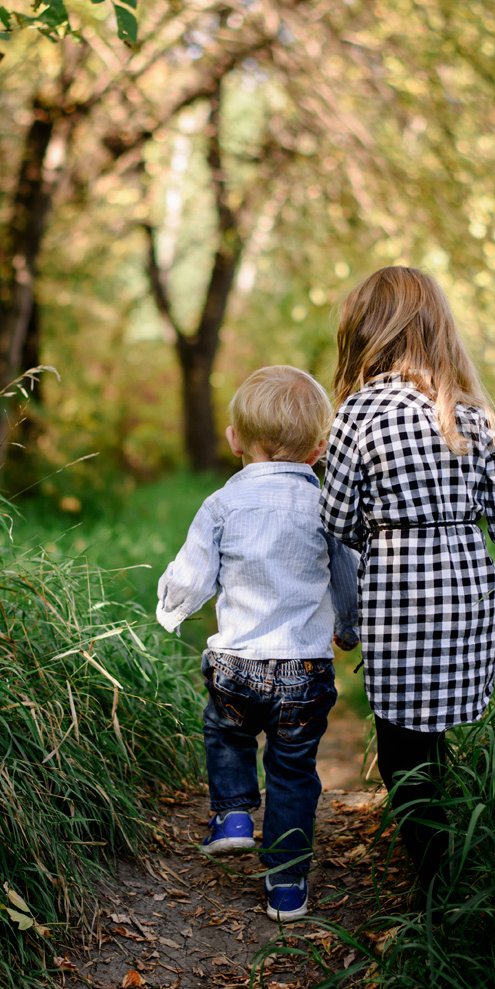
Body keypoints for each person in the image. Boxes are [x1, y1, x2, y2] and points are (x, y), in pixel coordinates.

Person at [319, 265, 495, 909]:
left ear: (366, 333)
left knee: (403, 750)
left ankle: (438, 886)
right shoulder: (471, 415)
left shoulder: (358, 414)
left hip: (401, 597)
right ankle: (459, 856)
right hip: (471, 594)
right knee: (442, 729)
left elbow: (337, 519)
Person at [156, 365, 361, 922]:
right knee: (294, 771)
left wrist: (172, 610)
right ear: (320, 449)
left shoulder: (222, 504)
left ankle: (233, 815)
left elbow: (194, 574)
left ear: (233, 440)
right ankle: (287, 885)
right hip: (304, 668)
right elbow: (347, 573)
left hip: (237, 664)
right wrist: (349, 627)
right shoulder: (328, 506)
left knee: (227, 730)